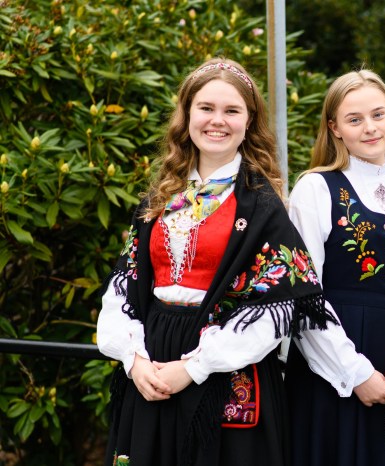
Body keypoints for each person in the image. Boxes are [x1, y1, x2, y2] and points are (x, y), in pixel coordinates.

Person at [96, 58, 346, 466]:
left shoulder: (263, 206)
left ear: (249, 122)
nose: (218, 121)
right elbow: (124, 287)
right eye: (206, 108)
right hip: (151, 368)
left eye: (232, 111)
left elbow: (276, 309)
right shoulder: (160, 199)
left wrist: (195, 366)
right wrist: (134, 359)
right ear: (187, 115)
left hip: (227, 371)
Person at [284, 69, 385, 466]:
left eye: (378, 114)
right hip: (332, 376)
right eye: (355, 120)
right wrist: (355, 373)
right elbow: (303, 294)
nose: (370, 128)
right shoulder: (316, 188)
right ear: (334, 128)